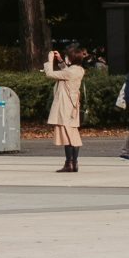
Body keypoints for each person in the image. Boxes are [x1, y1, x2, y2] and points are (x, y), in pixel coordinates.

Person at [44, 44, 85, 174]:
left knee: (68, 137)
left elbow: (49, 74)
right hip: (73, 106)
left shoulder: (69, 72)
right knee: (73, 134)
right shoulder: (79, 70)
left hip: (65, 106)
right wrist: (60, 60)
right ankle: (74, 163)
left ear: (71, 59)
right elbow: (66, 71)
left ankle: (69, 164)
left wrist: (50, 60)